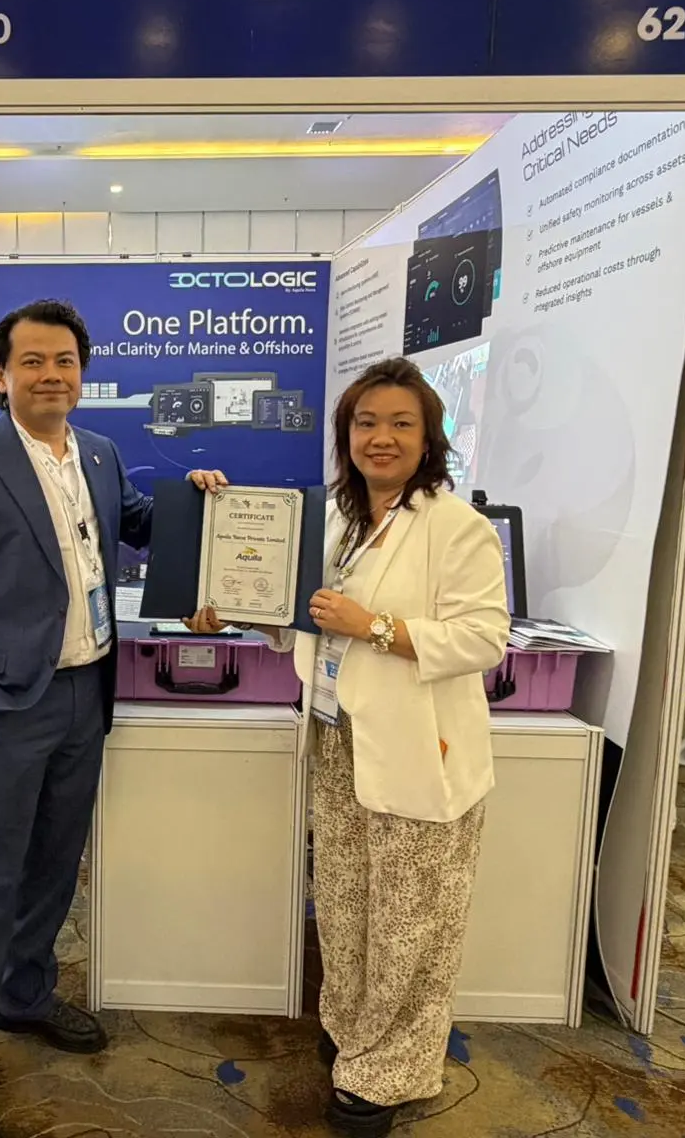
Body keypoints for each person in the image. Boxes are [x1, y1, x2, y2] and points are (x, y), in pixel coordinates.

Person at [0, 299, 226, 1138]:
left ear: (83, 372)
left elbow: (137, 525)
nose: (52, 376)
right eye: (33, 362)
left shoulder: (101, 454)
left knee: (53, 865)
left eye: (65, 362)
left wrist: (197, 500)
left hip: (87, 692)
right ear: (0, 375)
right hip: (5, 703)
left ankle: (25, 995)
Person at [187, 357, 508, 1138]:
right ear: (347, 434)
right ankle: (354, 1028)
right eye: (366, 423)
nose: (381, 437)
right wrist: (235, 609)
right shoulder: (333, 517)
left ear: (429, 437)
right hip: (338, 738)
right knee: (345, 903)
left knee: (410, 920)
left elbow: (484, 638)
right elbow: (305, 619)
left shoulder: (454, 526)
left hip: (418, 748)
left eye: (401, 423)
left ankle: (389, 1070)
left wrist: (377, 628)